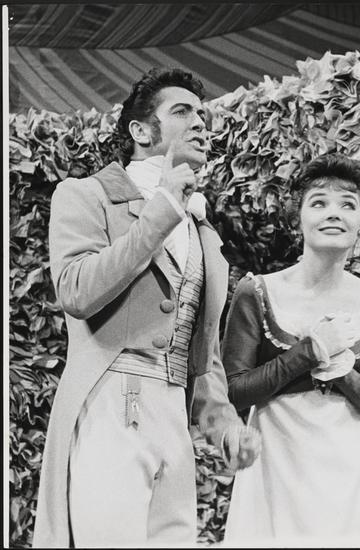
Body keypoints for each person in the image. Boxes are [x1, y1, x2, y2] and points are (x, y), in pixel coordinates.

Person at [32, 67, 261, 548]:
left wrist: (223, 425)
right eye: (182, 112)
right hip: (112, 401)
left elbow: (202, 353)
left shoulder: (202, 231)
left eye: (202, 115)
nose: (199, 123)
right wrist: (163, 208)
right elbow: (76, 290)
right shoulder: (87, 194)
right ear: (140, 131)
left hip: (174, 415)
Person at [222, 153, 360, 546]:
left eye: (348, 205)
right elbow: (233, 390)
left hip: (349, 479)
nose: (333, 213)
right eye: (319, 202)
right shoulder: (256, 292)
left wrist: (344, 375)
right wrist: (308, 352)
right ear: (298, 219)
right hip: (274, 471)